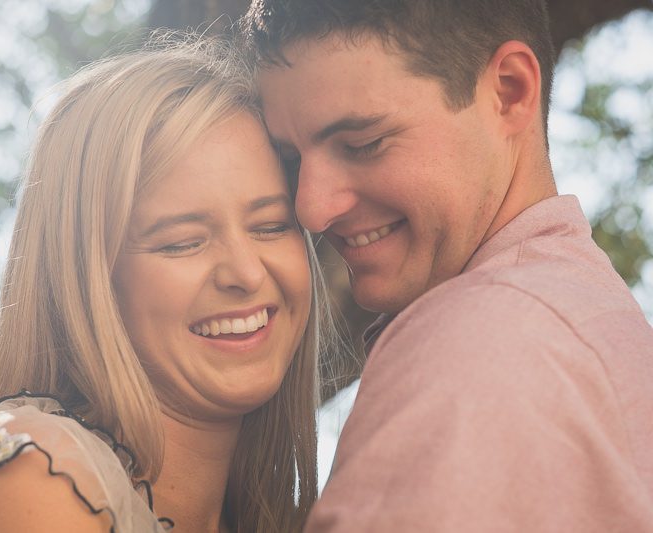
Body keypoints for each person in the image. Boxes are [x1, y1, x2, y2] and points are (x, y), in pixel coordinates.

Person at [0, 35, 334, 533]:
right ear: (88, 282)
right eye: (182, 242)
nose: (247, 273)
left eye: (272, 225)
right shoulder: (34, 479)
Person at [243, 0, 653, 531]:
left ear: (510, 91)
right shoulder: (586, 323)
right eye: (293, 160)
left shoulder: (485, 343)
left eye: (363, 144)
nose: (311, 208)